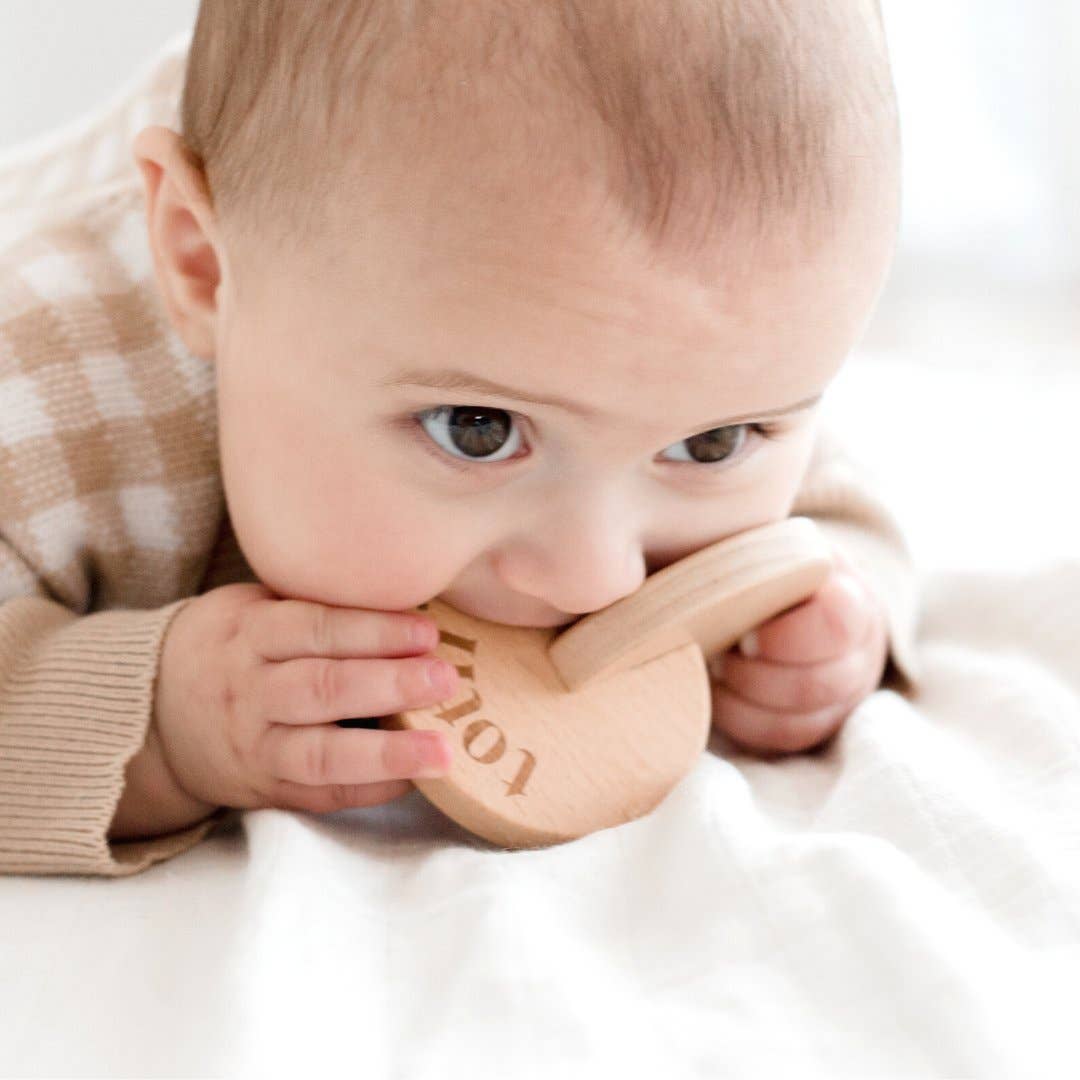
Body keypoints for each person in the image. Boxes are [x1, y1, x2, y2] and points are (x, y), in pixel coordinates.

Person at [0, 0, 920, 876]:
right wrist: (161, 728)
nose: (597, 577)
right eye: (478, 432)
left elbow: (835, 517)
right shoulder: (47, 393)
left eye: (710, 447)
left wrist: (840, 623)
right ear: (205, 271)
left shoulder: (681, 360)